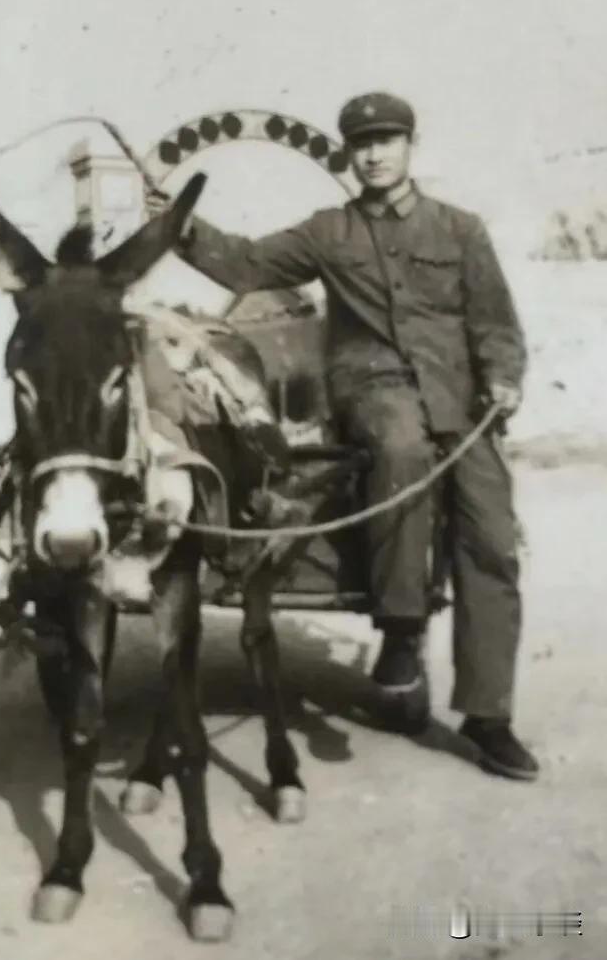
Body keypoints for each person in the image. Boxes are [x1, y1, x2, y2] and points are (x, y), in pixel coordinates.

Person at [147, 91, 538, 780]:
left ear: (411, 145)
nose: (375, 153)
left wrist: (504, 377)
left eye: (387, 140)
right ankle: (400, 628)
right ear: (349, 153)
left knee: (494, 543)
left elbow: (495, 322)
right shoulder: (330, 231)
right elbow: (246, 265)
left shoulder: (461, 230)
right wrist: (177, 224)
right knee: (400, 448)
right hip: (371, 388)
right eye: (363, 144)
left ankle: (488, 717)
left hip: (459, 397)